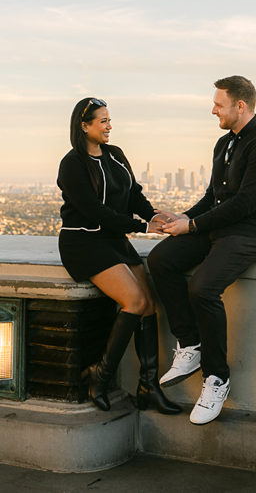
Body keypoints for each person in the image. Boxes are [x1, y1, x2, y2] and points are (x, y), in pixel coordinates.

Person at [147, 76, 256, 425]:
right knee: (161, 259)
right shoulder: (224, 144)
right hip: (224, 227)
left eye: (219, 104)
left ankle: (216, 378)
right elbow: (214, 197)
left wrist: (193, 227)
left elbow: (245, 203)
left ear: (240, 106)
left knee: (202, 287)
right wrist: (186, 217)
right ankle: (190, 345)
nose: (213, 110)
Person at [57, 97, 181, 415]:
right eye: (103, 121)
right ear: (84, 126)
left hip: (114, 240)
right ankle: (99, 374)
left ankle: (148, 387)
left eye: (110, 120)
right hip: (85, 243)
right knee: (135, 302)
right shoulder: (72, 164)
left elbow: (133, 194)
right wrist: (141, 226)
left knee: (149, 306)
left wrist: (154, 214)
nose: (109, 126)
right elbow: (94, 211)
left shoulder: (115, 155)